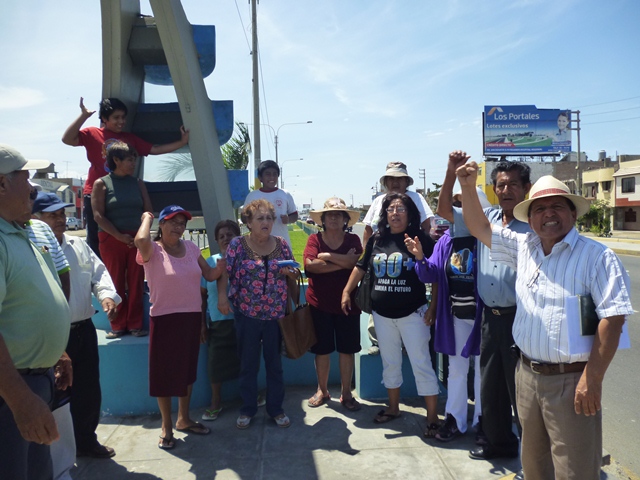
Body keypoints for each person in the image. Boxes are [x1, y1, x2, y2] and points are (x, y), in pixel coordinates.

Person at [456, 166, 633, 480]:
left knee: (574, 469)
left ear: (573, 213)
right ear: (530, 217)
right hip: (526, 375)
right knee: (535, 463)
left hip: (570, 382)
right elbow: (479, 226)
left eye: (557, 206)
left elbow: (613, 319)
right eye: (539, 208)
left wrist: (591, 380)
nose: (548, 214)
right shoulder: (526, 248)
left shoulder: (598, 257)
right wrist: (467, 187)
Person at [438, 152, 531, 471]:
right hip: (489, 317)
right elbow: (444, 210)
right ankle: (498, 443)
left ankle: (533, 454)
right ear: (494, 189)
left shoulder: (532, 225)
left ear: (526, 188)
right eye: (501, 185)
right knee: (490, 385)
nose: (507, 191)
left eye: (514, 185)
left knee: (520, 390)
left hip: (519, 317)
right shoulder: (486, 218)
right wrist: (454, 173)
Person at [0, 144, 72, 480]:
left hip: (35, 381)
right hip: (12, 391)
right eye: (25, 177)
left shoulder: (22, 230)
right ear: (2, 184)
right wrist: (19, 399)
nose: (33, 188)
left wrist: (59, 352)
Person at [342, 193, 440, 435]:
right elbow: (361, 266)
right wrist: (347, 291)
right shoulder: (376, 239)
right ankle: (393, 408)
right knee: (390, 363)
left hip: (413, 314)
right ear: (384, 214)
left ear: (410, 214)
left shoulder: (421, 239)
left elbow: (437, 275)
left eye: (401, 209)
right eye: (391, 209)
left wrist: (434, 308)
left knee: (422, 363)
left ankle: (432, 417)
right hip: (382, 315)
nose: (395, 213)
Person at [33, 192, 120, 463]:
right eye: (52, 215)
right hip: (53, 336)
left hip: (84, 329)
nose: (60, 219)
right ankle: (56, 454)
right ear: (35, 218)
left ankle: (86, 441)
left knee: (88, 390)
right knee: (57, 394)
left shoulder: (77, 245)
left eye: (61, 214)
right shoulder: (31, 248)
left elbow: (98, 272)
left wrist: (106, 294)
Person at [404, 188, 491, 443]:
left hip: (483, 316)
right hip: (455, 315)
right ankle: (455, 418)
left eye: (465, 204)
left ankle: (485, 420)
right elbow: (430, 273)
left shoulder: (486, 238)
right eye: (455, 204)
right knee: (456, 369)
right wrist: (420, 256)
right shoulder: (447, 240)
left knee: (483, 371)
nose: (459, 210)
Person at [135, 205, 225, 449]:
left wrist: (226, 263)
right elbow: (140, 237)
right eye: (172, 222)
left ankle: (183, 419)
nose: (178, 227)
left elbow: (209, 274)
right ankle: (166, 425)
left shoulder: (193, 248)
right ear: (161, 225)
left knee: (186, 372)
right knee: (163, 375)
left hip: (191, 317)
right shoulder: (152, 250)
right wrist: (147, 217)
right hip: (164, 319)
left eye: (182, 223)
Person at [62, 97, 189, 256]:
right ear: (104, 118)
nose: (121, 121)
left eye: (123, 117)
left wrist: (182, 142)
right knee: (96, 239)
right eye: (116, 117)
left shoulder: (129, 139)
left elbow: (155, 149)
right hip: (95, 194)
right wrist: (84, 116)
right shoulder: (92, 133)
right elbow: (67, 139)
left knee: (124, 239)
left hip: (122, 194)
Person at [226, 199, 299, 429]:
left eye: (269, 217)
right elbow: (224, 273)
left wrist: (290, 274)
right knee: (248, 364)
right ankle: (247, 409)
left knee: (274, 364)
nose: (266, 222)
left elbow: (294, 275)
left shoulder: (281, 244)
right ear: (248, 222)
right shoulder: (237, 245)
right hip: (246, 314)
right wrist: (221, 297)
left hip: (275, 316)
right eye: (260, 218)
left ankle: (275, 409)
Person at [362, 162, 435, 354]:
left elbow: (428, 223)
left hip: (408, 255)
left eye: (399, 179)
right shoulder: (379, 200)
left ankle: (405, 344)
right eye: (391, 179)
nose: (395, 182)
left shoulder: (416, 198)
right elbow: (369, 228)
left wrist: (422, 246)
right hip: (381, 259)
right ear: (385, 182)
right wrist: (367, 254)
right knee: (379, 301)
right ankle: (377, 342)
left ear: (406, 181)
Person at [303, 198, 363, 411]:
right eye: (330, 214)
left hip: (349, 303)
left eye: (339, 214)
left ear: (346, 219)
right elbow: (311, 267)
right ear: (323, 219)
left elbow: (356, 263)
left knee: (347, 350)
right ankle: (322, 390)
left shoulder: (354, 239)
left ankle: (346, 394)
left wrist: (328, 257)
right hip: (319, 304)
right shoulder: (314, 240)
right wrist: (343, 262)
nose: (334, 217)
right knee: (322, 350)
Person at [92, 141, 153, 338]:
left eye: (134, 159)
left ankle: (135, 324)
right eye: (129, 159)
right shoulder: (101, 183)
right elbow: (98, 216)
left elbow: (148, 211)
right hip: (111, 239)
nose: (133, 163)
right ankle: (117, 325)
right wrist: (119, 236)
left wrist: (139, 236)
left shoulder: (137, 183)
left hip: (137, 239)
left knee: (136, 282)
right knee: (115, 281)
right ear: (116, 160)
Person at [200, 220, 242, 421]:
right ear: (216, 241)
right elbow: (201, 296)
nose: (226, 238)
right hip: (217, 321)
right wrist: (202, 324)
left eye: (230, 235)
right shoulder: (210, 262)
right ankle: (216, 400)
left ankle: (248, 395)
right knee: (215, 363)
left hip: (243, 320)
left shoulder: (245, 260)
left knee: (246, 359)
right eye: (222, 236)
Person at [242, 160, 298, 245]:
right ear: (260, 177)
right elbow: (244, 217)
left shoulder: (285, 194)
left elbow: (294, 215)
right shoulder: (252, 196)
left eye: (275, 174)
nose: (272, 177)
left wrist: (288, 219)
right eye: (268, 174)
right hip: (258, 244)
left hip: (281, 244)